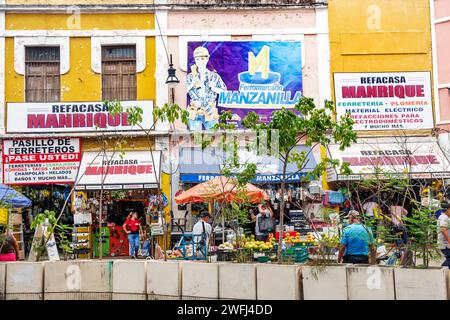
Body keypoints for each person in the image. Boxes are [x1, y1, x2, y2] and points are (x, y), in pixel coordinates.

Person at [187, 46, 227, 131]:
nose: (200, 61)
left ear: (207, 59)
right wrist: (192, 84)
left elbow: (224, 92)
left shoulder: (214, 76)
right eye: (197, 59)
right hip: (195, 110)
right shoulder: (190, 76)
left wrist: (214, 88)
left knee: (214, 138)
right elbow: (183, 91)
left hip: (210, 110)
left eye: (202, 59)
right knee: (196, 140)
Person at [437, 203, 450, 268]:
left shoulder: (446, 217)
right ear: (448, 210)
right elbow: (443, 230)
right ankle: (444, 268)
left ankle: (445, 269)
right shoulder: (443, 217)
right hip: (445, 244)